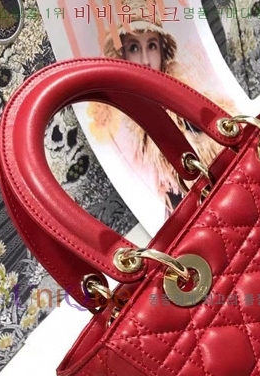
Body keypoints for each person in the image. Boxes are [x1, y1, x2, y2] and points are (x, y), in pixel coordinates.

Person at [89, 0, 234, 215]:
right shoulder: (126, 126)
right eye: (134, 48)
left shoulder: (186, 101)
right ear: (124, 56)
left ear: (162, 52)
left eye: (152, 46)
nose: (145, 60)